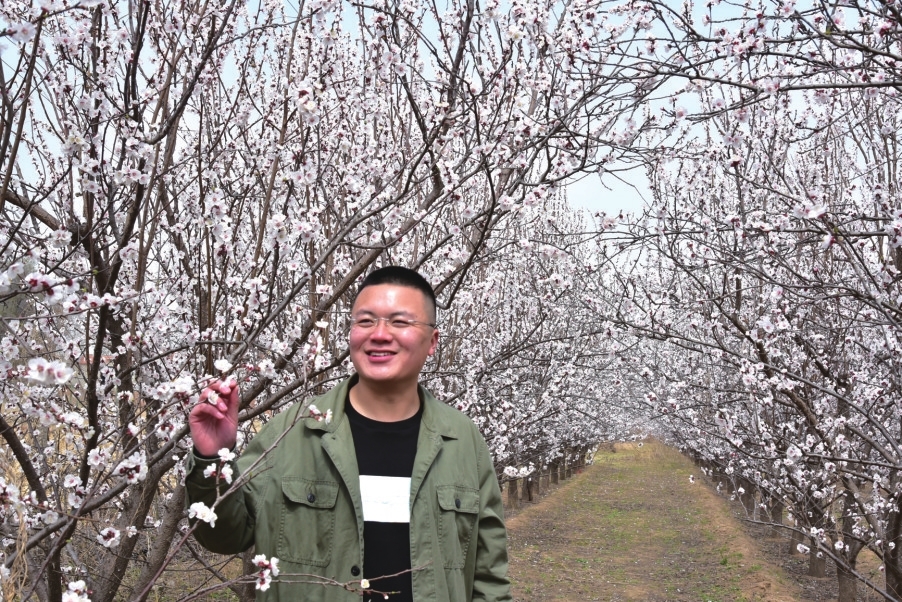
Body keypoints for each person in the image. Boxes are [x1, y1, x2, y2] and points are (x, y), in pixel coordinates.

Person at [185, 266, 511, 602]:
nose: (380, 334)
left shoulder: (462, 441)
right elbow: (222, 538)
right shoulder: (292, 432)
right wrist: (212, 459)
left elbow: (488, 577)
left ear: (433, 341)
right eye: (366, 321)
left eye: (400, 322)